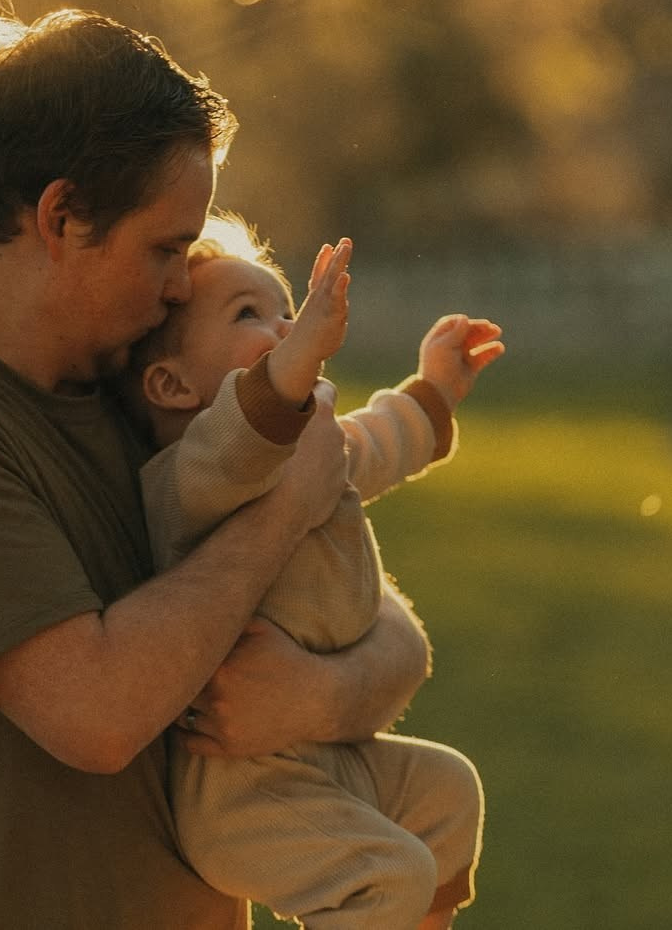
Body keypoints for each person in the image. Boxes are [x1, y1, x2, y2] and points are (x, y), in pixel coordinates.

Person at [0, 9, 436, 930]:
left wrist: (320, 693)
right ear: (61, 217)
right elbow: (96, 712)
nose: (185, 285)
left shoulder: (138, 386)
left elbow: (379, 627)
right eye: (166, 248)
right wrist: (283, 510)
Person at [125, 214, 504, 928]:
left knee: (449, 791)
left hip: (322, 753)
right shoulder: (189, 475)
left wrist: (434, 389)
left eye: (286, 312)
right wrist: (300, 350)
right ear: (172, 385)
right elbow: (249, 422)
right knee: (387, 876)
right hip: (241, 789)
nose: (282, 326)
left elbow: (376, 443)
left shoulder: (312, 443)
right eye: (249, 314)